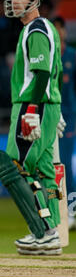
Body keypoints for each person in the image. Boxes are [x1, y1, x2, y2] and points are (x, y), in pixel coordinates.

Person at [0, 0, 65, 256]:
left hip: (31, 104)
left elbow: (43, 71)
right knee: (44, 171)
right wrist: (51, 107)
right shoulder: (40, 28)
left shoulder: (36, 27)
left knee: (15, 166)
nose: (14, 1)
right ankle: (52, 234)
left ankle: (42, 231)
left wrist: (35, 110)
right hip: (46, 104)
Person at [52, 16, 76, 230]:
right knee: (52, 166)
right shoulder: (49, 57)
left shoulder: (72, 57)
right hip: (50, 115)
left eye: (61, 29)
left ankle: (72, 209)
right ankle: (56, 211)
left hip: (69, 117)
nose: (59, 33)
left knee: (66, 164)